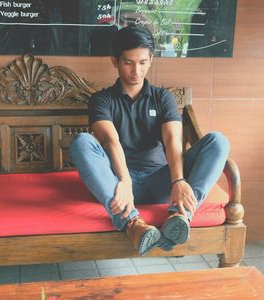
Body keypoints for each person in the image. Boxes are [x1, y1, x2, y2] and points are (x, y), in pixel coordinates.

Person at [69, 24, 229, 256]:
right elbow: (110, 141)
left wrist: (178, 181)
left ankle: (180, 215)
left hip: (160, 182)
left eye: (143, 62)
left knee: (218, 141)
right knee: (82, 142)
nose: (136, 70)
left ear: (151, 60)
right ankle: (133, 223)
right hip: (117, 186)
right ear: (114, 61)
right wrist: (124, 181)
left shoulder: (162, 98)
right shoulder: (101, 100)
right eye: (128, 62)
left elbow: (173, 139)